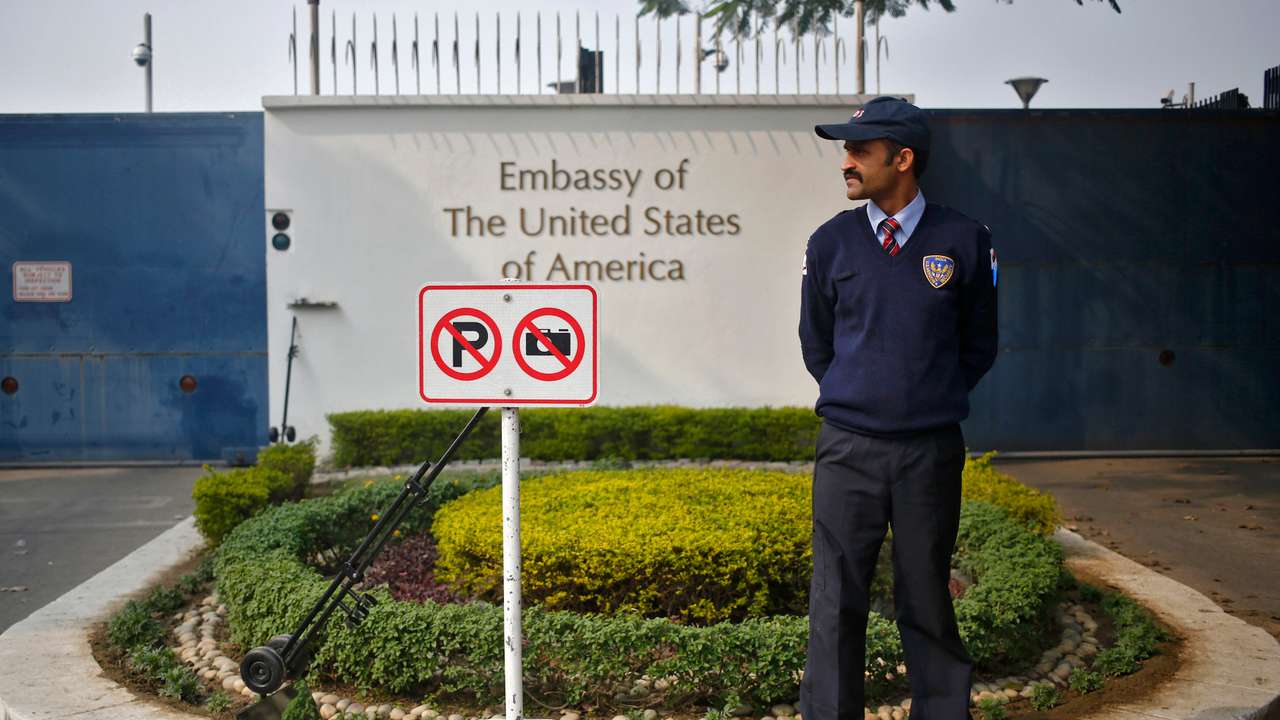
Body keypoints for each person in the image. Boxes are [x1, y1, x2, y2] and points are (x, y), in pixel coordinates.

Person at [797, 96, 999, 720]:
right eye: (846, 150)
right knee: (836, 601)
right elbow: (817, 344)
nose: (846, 163)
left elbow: (978, 346)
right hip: (847, 450)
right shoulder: (830, 243)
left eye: (859, 151)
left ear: (902, 159)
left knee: (926, 598)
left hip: (928, 454)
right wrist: (864, 397)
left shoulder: (966, 241)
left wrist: (922, 398)